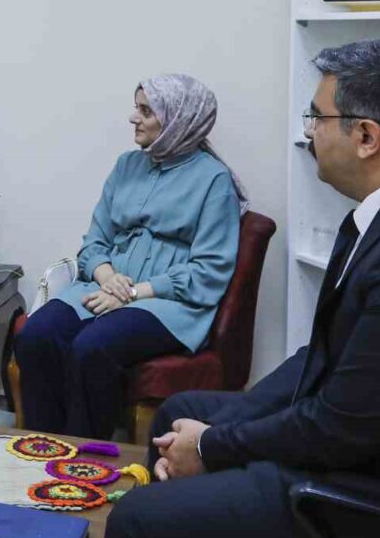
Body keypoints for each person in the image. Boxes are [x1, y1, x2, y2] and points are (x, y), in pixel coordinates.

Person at [107, 38, 380, 538]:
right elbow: (323, 356)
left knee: (137, 518)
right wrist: (222, 428)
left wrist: (213, 446)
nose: (308, 132)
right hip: (363, 440)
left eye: (317, 117)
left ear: (366, 136)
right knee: (180, 412)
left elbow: (341, 428)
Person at [15, 74, 242, 439]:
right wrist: (107, 277)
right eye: (136, 108)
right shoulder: (126, 165)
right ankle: (44, 448)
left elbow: (208, 272)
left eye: (146, 111)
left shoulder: (214, 180)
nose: (133, 118)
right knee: (36, 334)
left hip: (167, 303)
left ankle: (85, 456)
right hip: (105, 286)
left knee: (92, 347)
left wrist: (133, 293)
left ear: (179, 121)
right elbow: (94, 241)